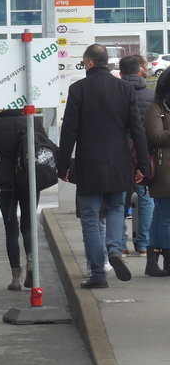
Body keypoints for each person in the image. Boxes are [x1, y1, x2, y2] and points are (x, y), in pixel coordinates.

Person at [58, 43, 150, 289]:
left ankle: (98, 273)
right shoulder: (124, 89)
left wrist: (63, 165)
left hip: (89, 164)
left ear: (89, 62)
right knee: (116, 208)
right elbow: (137, 130)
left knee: (90, 217)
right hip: (120, 163)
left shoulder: (78, 89)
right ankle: (115, 250)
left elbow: (69, 132)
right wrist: (142, 164)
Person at [0, 108, 50, 290]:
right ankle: (31, 262)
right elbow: (44, 149)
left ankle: (16, 278)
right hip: (29, 179)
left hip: (4, 180)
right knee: (28, 226)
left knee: (10, 229)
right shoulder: (34, 122)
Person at [120, 54, 155, 264]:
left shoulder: (116, 94)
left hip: (120, 154)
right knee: (146, 199)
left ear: (121, 73)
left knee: (119, 200)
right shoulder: (152, 96)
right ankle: (144, 245)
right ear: (140, 71)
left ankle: (121, 245)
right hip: (145, 155)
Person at [143, 69, 170, 276]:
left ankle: (152, 261)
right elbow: (157, 137)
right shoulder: (156, 109)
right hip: (163, 172)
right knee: (166, 216)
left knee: (160, 215)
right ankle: (166, 260)